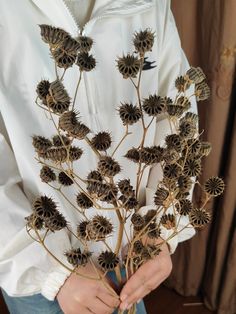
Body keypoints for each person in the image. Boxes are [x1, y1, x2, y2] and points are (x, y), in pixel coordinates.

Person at [0, 0, 197, 313]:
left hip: (130, 251)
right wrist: (55, 271)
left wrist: (160, 228)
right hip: (39, 274)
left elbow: (175, 112)